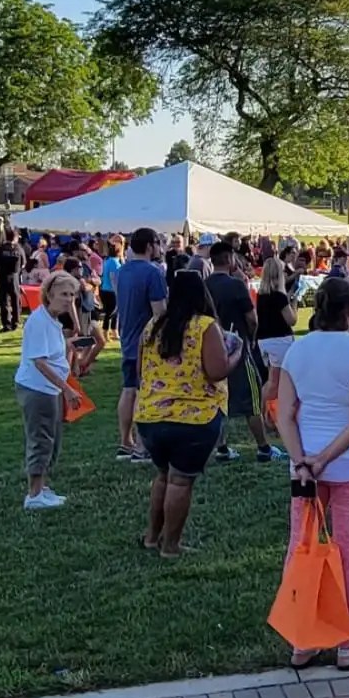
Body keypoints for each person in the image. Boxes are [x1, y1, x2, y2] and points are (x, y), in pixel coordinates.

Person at [276, 278, 349, 671]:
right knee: (347, 551)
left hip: (304, 465)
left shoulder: (296, 351)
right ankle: (345, 643)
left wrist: (302, 458)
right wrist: (323, 459)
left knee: (299, 547)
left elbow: (284, 414)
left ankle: (301, 641)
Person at [136, 271, 238, 556]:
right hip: (194, 418)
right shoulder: (206, 326)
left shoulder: (153, 325)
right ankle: (171, 546)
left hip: (150, 416)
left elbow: (139, 371)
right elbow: (216, 371)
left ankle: (152, 537)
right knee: (180, 480)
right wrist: (236, 355)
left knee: (163, 475)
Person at [206, 242, 282, 462]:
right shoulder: (236, 285)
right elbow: (252, 318)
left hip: (212, 348)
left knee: (217, 399)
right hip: (238, 348)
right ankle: (263, 448)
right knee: (252, 398)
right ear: (230, 259)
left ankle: (221, 448)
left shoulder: (204, 285)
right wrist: (250, 337)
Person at [17, 271, 78, 510]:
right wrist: (67, 389)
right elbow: (39, 361)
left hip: (49, 389)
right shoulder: (38, 321)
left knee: (52, 437)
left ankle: (42, 486)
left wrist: (70, 347)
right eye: (64, 294)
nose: (68, 299)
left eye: (72, 294)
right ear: (50, 294)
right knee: (41, 438)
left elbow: (52, 353)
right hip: (38, 389)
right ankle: (34, 494)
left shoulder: (53, 320)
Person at [113, 228, 168, 462]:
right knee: (146, 393)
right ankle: (142, 447)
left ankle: (126, 442)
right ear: (149, 245)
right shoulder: (152, 272)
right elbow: (160, 313)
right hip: (147, 343)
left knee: (129, 390)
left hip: (127, 339)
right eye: (157, 243)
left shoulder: (122, 271)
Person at [256, 255, 299, 418]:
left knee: (271, 379)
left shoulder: (262, 295)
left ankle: (265, 412)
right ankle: (266, 414)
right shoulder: (279, 296)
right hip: (279, 339)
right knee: (276, 381)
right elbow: (292, 320)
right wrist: (293, 304)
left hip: (264, 339)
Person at [0, 231, 25, 331]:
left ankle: (6, 323)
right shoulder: (18, 250)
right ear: (15, 238)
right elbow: (23, 263)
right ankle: (15, 321)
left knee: (3, 301)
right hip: (14, 277)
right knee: (15, 299)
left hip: (2, 277)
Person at [98, 240, 123, 334]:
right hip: (111, 290)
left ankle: (109, 331)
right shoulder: (114, 262)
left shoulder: (107, 261)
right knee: (112, 312)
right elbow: (113, 278)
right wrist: (117, 292)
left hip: (104, 289)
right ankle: (110, 331)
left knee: (109, 312)